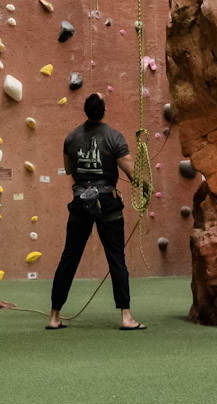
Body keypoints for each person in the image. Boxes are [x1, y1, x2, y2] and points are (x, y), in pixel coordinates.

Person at [48, 92, 146, 330]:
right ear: (104, 111)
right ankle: (126, 317)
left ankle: (54, 317)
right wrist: (145, 187)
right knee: (116, 259)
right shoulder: (115, 138)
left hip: (81, 201)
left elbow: (69, 168)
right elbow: (133, 174)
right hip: (108, 202)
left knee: (69, 258)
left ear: (86, 111)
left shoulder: (71, 138)